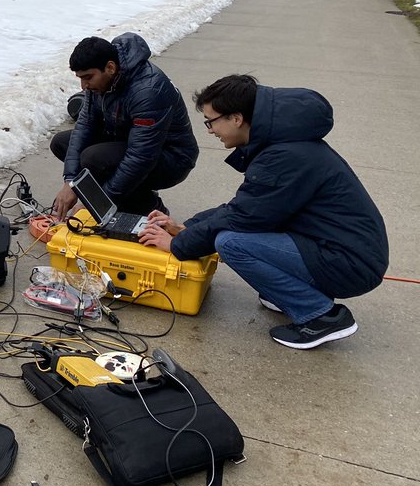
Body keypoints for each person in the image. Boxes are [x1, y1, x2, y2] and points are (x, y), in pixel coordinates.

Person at [138, 75, 388, 349]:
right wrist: (186, 227)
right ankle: (286, 294)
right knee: (237, 231)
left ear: (236, 118)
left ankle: (321, 316)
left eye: (211, 121)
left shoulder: (284, 155)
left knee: (230, 242)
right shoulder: (283, 142)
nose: (210, 130)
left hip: (349, 262)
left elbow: (241, 217)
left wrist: (178, 244)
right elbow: (247, 207)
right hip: (340, 248)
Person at [50, 33, 198, 220]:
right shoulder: (100, 82)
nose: (83, 86)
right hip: (130, 141)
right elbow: (85, 127)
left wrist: (100, 202)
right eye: (80, 78)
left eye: (88, 77)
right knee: (61, 143)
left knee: (94, 158)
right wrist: (70, 182)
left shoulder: (148, 90)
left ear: (110, 67)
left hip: (171, 158)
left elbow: (141, 157)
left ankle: (150, 207)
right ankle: (123, 201)